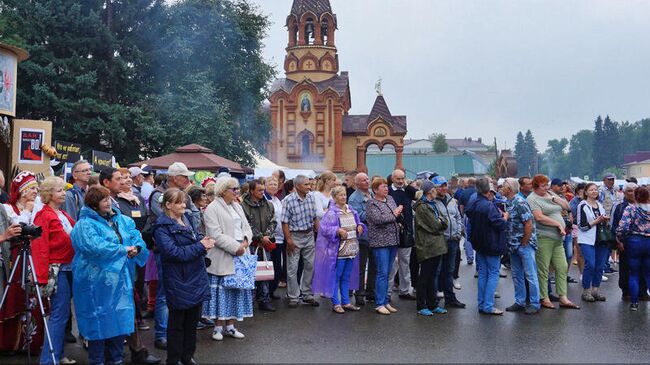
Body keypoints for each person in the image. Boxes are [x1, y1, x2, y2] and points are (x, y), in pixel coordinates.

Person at [71, 185, 149, 365]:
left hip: (121, 281)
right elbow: (93, 247)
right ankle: (97, 360)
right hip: (94, 283)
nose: (109, 202)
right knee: (97, 322)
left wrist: (136, 249)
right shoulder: (84, 225)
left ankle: (116, 360)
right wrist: (123, 250)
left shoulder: (122, 220)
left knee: (119, 321)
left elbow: (136, 237)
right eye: (104, 199)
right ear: (94, 203)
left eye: (109, 199)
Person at [153, 188, 213, 364]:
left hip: (195, 275)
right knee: (177, 323)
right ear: (168, 205)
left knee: (192, 322)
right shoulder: (162, 226)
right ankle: (174, 358)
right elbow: (174, 253)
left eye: (184, 201)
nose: (183, 205)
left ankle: (188, 356)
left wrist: (204, 240)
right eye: (179, 202)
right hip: (178, 278)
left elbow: (196, 236)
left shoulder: (186, 218)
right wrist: (201, 247)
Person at [149, 162, 196, 350]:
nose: (188, 180)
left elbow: (191, 218)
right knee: (163, 293)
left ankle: (175, 332)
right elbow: (168, 219)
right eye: (184, 177)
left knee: (180, 290)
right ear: (174, 177)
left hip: (184, 250)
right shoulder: (157, 194)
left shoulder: (184, 195)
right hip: (166, 250)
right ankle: (161, 334)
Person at [31, 177, 76, 365]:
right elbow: (39, 248)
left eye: (63, 190)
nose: (63, 193)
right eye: (59, 190)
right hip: (56, 269)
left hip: (68, 267)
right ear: (49, 194)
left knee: (63, 315)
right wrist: (40, 277)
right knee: (59, 314)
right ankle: (49, 359)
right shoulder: (44, 215)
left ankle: (57, 354)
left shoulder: (63, 213)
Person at [0, 171, 46, 353]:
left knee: (34, 299)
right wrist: (26, 211)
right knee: (15, 297)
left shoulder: (39, 208)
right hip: (16, 258)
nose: (36, 191)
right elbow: (16, 230)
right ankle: (11, 343)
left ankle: (32, 343)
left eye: (36, 187)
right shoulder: (7, 208)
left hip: (35, 256)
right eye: (32, 188)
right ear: (22, 190)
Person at [203, 177, 253, 340]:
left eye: (238, 188)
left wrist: (245, 241)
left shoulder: (237, 206)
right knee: (221, 292)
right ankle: (218, 327)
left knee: (236, 289)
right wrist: (235, 247)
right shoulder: (212, 208)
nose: (237, 191)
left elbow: (246, 227)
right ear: (223, 190)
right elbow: (215, 234)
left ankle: (231, 326)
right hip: (223, 254)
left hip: (241, 251)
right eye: (234, 189)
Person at [527, 174, 580, 310]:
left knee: (562, 266)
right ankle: (544, 297)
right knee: (543, 269)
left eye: (547, 185)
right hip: (543, 237)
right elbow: (539, 217)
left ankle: (563, 297)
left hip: (558, 238)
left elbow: (567, 206)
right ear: (535, 186)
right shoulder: (532, 199)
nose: (546, 188)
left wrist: (552, 197)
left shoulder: (549, 194)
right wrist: (557, 224)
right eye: (543, 185)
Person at [313, 185, 364, 313]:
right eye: (341, 195)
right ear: (334, 197)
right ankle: (336, 303)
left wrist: (360, 226)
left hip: (351, 249)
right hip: (339, 250)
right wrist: (337, 230)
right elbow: (324, 229)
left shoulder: (351, 209)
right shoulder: (331, 212)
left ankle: (346, 302)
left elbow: (358, 222)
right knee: (336, 276)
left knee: (346, 276)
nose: (344, 197)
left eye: (345, 194)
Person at [465, 177, 508, 315]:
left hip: (479, 242)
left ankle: (482, 303)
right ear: (487, 189)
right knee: (493, 273)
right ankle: (488, 305)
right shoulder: (488, 205)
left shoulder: (473, 201)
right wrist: (505, 217)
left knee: (483, 273)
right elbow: (500, 224)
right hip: (491, 243)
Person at [281, 175, 321, 308]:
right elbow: (284, 222)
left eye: (309, 184)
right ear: (297, 186)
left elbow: (315, 216)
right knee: (292, 268)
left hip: (309, 234)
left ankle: (307, 294)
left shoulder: (311, 197)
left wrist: (318, 232)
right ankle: (293, 296)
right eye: (306, 185)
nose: (309, 187)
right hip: (295, 235)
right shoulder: (288, 200)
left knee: (310, 265)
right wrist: (289, 240)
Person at [501, 178, 540, 315]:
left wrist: (525, 241)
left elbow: (528, 223)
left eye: (504, 186)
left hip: (524, 244)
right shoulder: (508, 202)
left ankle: (535, 303)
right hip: (513, 245)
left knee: (530, 274)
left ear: (510, 189)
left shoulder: (519, 202)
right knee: (517, 275)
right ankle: (520, 301)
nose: (501, 188)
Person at [366, 178, 402, 315]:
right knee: (382, 272)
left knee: (389, 272)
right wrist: (394, 214)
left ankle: (386, 300)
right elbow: (378, 220)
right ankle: (379, 303)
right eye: (383, 187)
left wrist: (396, 215)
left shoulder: (391, 199)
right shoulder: (371, 203)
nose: (386, 189)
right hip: (380, 242)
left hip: (393, 239)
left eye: (386, 186)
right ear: (375, 190)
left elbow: (392, 217)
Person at [241, 179, 277, 312]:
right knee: (250, 272)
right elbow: (246, 225)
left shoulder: (269, 205)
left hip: (265, 243)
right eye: (260, 190)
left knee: (264, 271)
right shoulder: (242, 206)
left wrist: (266, 236)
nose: (263, 192)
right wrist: (261, 238)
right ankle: (248, 301)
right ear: (251, 191)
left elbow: (273, 221)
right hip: (250, 243)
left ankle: (264, 300)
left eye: (263, 190)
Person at [413, 180, 448, 316]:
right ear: (429, 191)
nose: (436, 190)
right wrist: (440, 221)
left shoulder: (432, 204)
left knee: (433, 276)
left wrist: (441, 221)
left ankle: (433, 304)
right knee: (425, 276)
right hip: (427, 246)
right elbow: (435, 225)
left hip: (436, 245)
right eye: (434, 189)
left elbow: (443, 220)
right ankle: (422, 305)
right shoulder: (422, 207)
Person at [431, 176, 466, 309]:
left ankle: (450, 298)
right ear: (434, 188)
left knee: (449, 271)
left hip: (453, 241)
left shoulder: (452, 200)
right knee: (437, 270)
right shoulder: (432, 202)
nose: (443, 188)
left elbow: (457, 217)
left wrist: (458, 233)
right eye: (440, 186)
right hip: (439, 241)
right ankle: (433, 299)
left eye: (445, 185)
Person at [612, 182, 648, 301]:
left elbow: (622, 227)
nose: (632, 193)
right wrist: (619, 241)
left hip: (634, 241)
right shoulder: (620, 207)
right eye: (629, 191)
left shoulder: (631, 208)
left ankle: (640, 294)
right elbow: (615, 225)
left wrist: (620, 236)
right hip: (634, 242)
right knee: (627, 268)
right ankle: (627, 291)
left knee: (639, 270)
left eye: (634, 191)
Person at [576, 183, 610, 302]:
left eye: (596, 190)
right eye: (591, 190)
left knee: (600, 266)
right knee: (590, 264)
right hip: (587, 239)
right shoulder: (583, 205)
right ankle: (586, 291)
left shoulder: (599, 205)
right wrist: (597, 220)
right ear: (586, 192)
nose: (594, 192)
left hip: (601, 239)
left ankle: (595, 290)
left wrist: (604, 220)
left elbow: (603, 222)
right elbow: (582, 226)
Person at [387, 169, 417, 300]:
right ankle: (387, 292)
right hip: (392, 231)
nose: (400, 181)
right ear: (392, 178)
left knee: (405, 262)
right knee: (392, 264)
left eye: (402, 178)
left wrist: (406, 185)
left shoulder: (408, 190)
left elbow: (418, 195)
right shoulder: (388, 191)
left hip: (407, 232)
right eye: (398, 179)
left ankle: (405, 290)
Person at [348, 173, 375, 305]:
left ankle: (371, 292)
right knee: (360, 266)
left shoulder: (372, 193)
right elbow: (358, 216)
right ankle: (359, 294)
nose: (367, 181)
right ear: (357, 184)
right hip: (363, 236)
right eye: (363, 180)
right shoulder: (354, 198)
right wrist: (374, 210)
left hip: (376, 235)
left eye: (367, 179)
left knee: (374, 266)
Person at [264, 176, 287, 293]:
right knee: (268, 265)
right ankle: (265, 292)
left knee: (277, 266)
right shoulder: (264, 199)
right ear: (265, 186)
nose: (273, 186)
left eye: (275, 184)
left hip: (279, 238)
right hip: (269, 238)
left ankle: (271, 291)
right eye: (271, 184)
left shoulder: (277, 199)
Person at [459, 177, 477, 265]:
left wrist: (463, 216)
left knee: (467, 236)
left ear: (468, 183)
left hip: (467, 215)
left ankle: (470, 258)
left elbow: (461, 206)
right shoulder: (478, 192)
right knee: (478, 235)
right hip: (477, 215)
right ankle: (478, 257)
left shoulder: (464, 192)